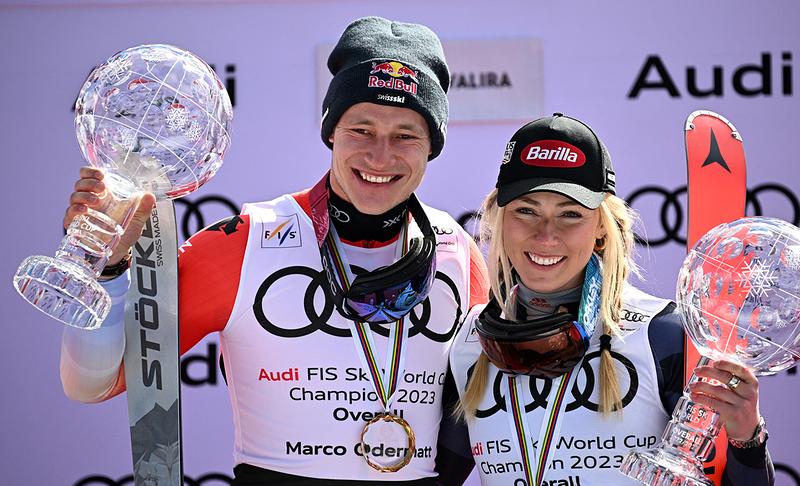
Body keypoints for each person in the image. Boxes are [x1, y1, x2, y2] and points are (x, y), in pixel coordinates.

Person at [59, 16, 487, 485]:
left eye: (405, 135)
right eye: (361, 129)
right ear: (331, 132)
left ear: (432, 147)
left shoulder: (458, 253)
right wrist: (108, 271)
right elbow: (91, 384)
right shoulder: (245, 242)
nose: (380, 156)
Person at [448, 113, 774, 485]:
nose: (546, 235)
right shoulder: (467, 342)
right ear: (498, 219)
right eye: (526, 211)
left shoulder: (662, 335)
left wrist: (746, 439)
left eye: (571, 214)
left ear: (602, 230)